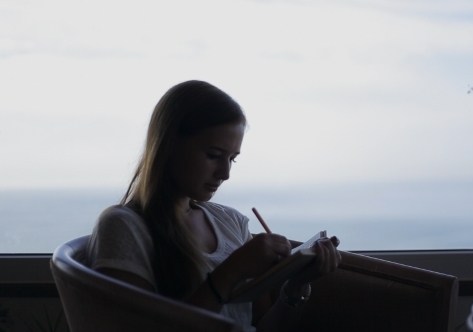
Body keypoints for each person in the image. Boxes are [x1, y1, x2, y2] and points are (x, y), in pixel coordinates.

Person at [86, 80, 342, 331]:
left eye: (232, 159)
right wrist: (230, 273)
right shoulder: (125, 228)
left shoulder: (231, 223)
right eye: (214, 156)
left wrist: (294, 287)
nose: (225, 173)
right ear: (168, 145)